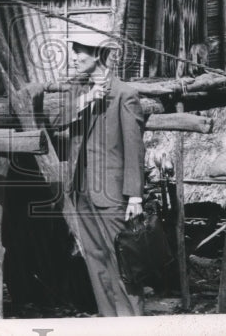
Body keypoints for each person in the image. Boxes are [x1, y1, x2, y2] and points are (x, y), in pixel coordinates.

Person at [29, 31, 146, 316]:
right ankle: (108, 322)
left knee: (121, 264)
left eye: (80, 50)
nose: (74, 56)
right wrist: (87, 99)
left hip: (112, 195)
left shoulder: (125, 94)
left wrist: (135, 196)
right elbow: (55, 121)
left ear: (98, 54)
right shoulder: (78, 91)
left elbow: (134, 148)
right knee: (96, 263)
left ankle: (132, 325)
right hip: (82, 193)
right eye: (74, 50)